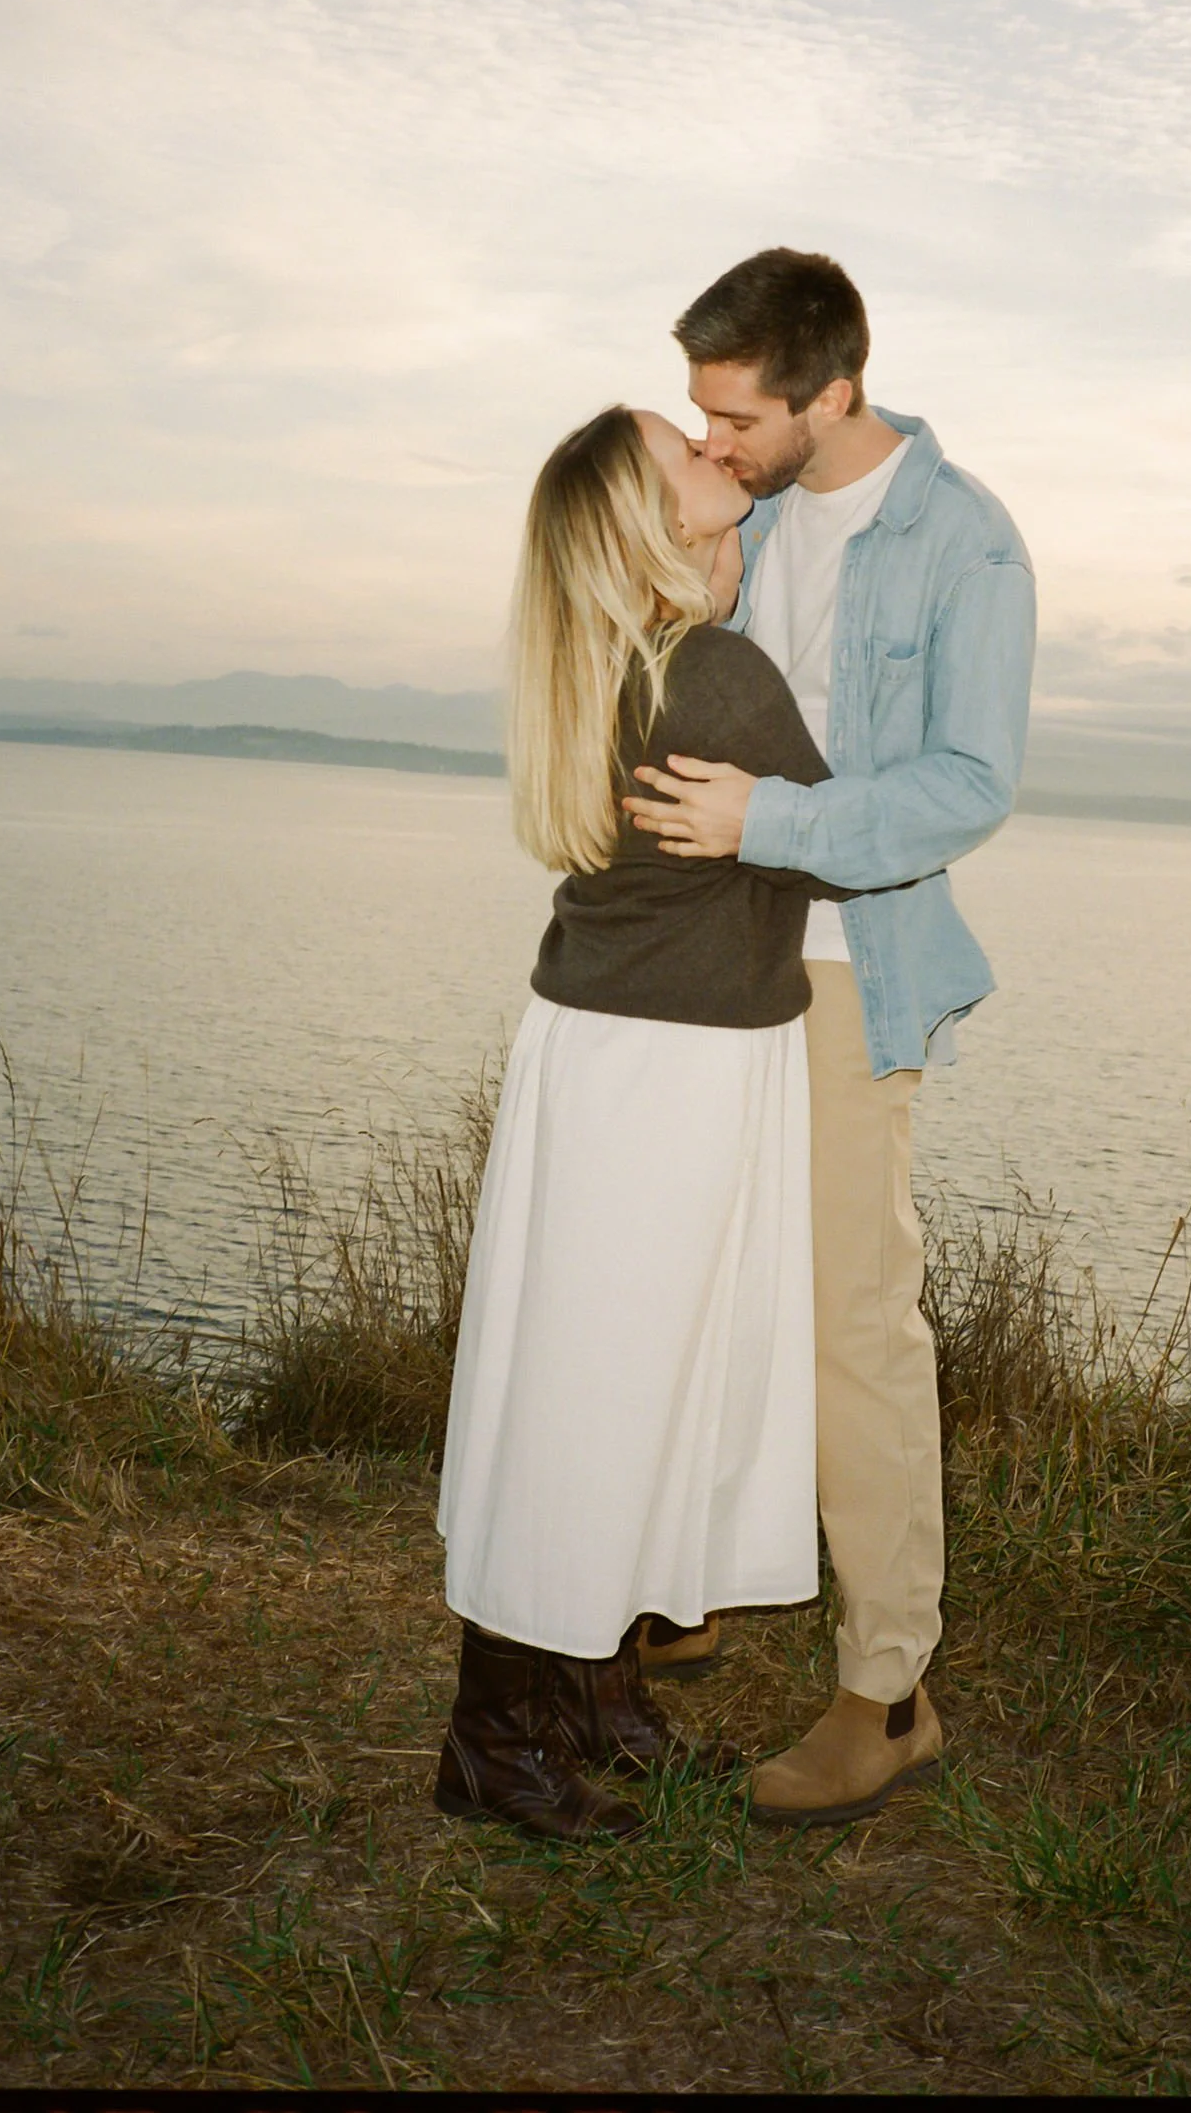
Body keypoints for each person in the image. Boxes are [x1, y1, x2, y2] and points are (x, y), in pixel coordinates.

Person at [622, 248, 1036, 1828]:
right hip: (705, 953)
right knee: (706, 1280)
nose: (710, 442)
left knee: (855, 1324)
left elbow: (967, 784)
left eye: (735, 415)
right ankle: (705, 1581)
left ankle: (889, 1688)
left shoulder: (967, 542)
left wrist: (770, 817)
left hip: (848, 965)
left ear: (832, 392)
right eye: (700, 411)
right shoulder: (758, 512)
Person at [434, 402, 851, 1842]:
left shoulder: (612, 667)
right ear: (653, 520)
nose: (717, 457)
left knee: (615, 1386)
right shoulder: (714, 677)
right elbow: (849, 846)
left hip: (620, 1058)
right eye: (689, 452)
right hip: (668, 1077)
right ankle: (498, 1737)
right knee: (600, 1403)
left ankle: (594, 1699)